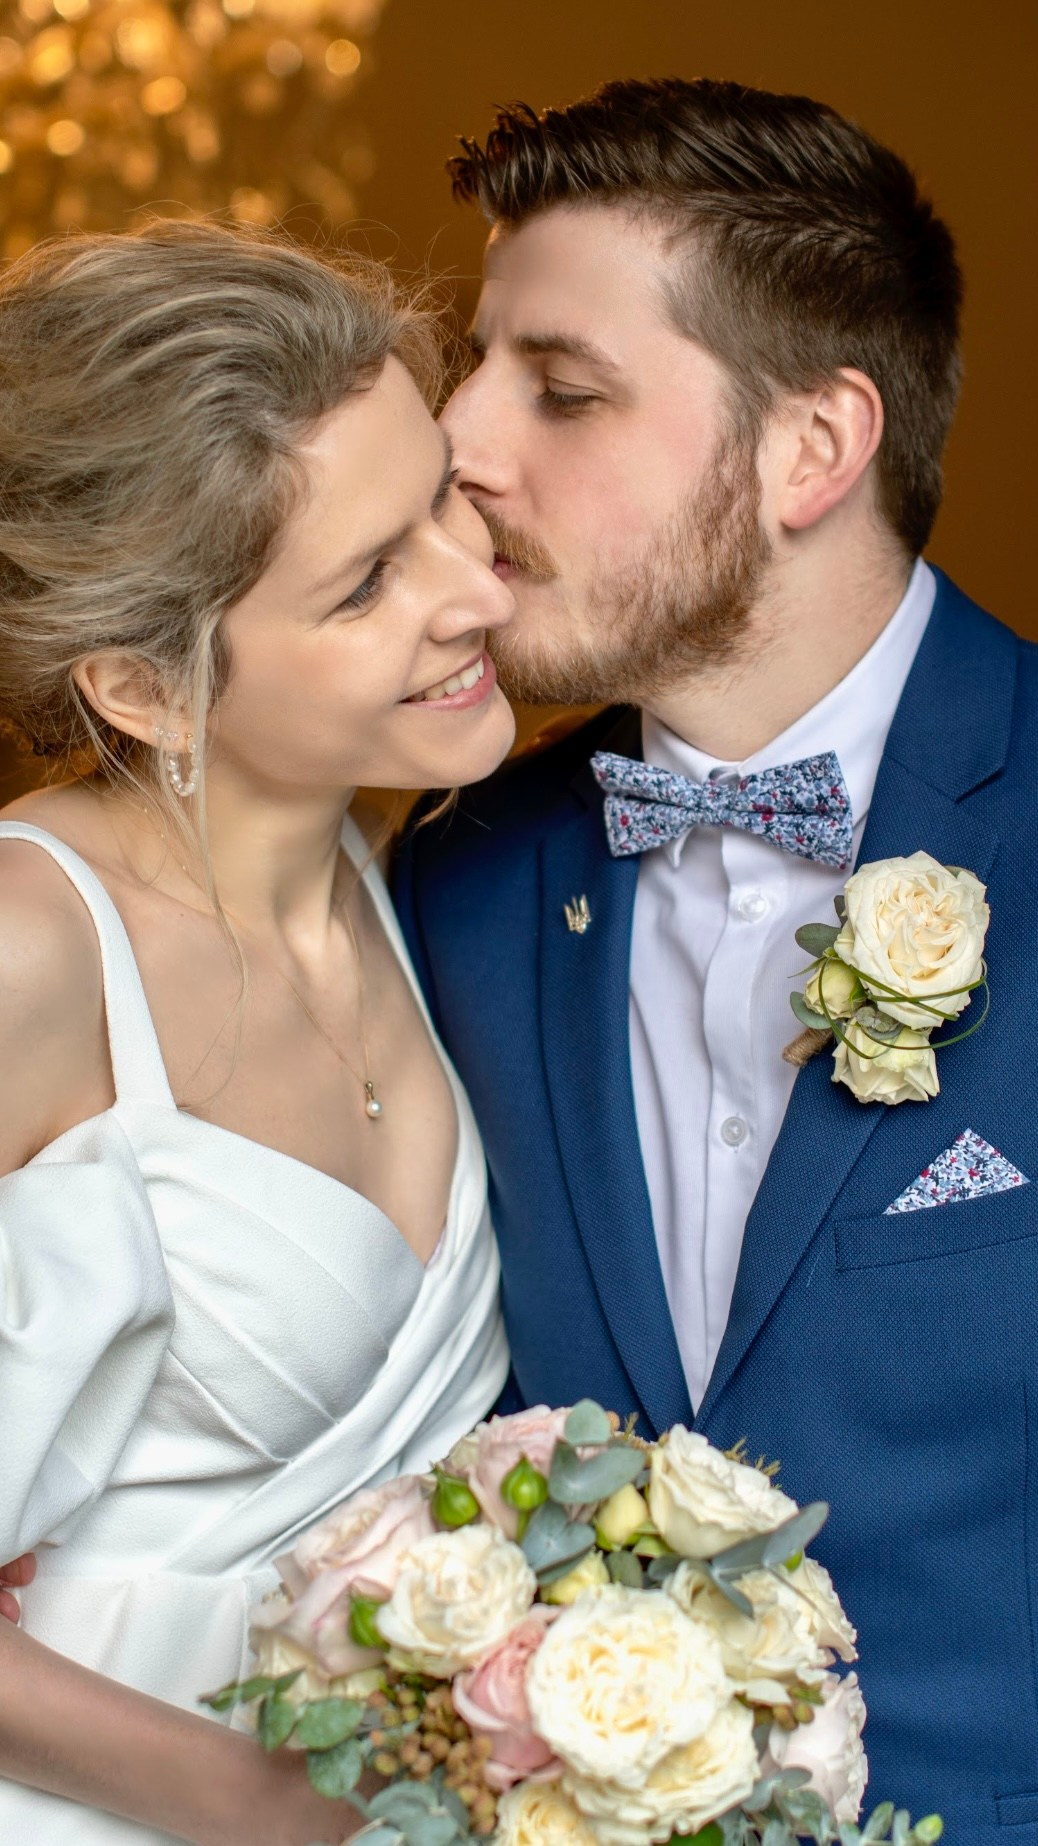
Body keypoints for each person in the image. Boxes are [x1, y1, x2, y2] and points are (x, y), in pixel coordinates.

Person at [393, 79, 1038, 1835]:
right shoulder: (457, 878)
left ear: (810, 448)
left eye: (561, 388)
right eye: (471, 367)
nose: (458, 441)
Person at [0, 220, 517, 1844]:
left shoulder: (423, 875)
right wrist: (293, 1814)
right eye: (365, 582)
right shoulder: (30, 950)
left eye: (442, 496)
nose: (475, 588)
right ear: (145, 690)